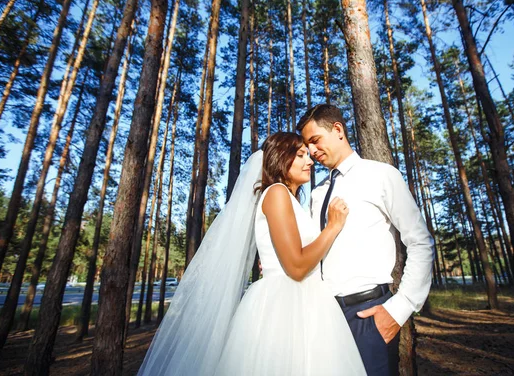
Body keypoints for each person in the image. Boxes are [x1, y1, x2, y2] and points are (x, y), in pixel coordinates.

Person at [138, 132, 366, 375]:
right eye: (300, 155)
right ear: (280, 158)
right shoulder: (277, 193)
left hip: (308, 303)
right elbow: (297, 267)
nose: (309, 161)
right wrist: (332, 227)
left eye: (308, 155)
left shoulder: (288, 199)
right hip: (286, 308)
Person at [297, 104, 434, 376]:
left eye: (314, 141)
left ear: (338, 130)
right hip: (324, 318)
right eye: (306, 145)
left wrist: (399, 309)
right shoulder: (316, 193)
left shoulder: (382, 175)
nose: (311, 152)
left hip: (368, 316)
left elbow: (420, 242)